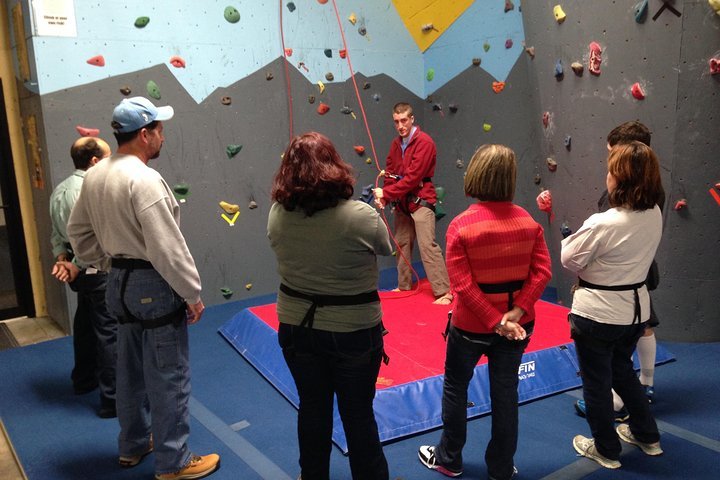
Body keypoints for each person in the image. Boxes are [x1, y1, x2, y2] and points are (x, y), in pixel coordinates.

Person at [67, 97, 220, 480]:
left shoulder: (97, 174)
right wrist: (192, 293)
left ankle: (132, 445)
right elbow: (167, 247)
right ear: (146, 134)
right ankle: (174, 461)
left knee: (129, 369)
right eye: (160, 130)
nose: (163, 137)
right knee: (169, 374)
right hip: (152, 283)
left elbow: (77, 232)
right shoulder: (144, 179)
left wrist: (103, 262)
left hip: (116, 282)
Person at [418, 144, 552, 480]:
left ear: (475, 175)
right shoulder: (529, 222)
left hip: (471, 328)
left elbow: (462, 286)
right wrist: (516, 313)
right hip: (519, 326)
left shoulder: (461, 226)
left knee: (456, 386)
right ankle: (501, 467)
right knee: (506, 393)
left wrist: (494, 321)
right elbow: (542, 273)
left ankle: (449, 458)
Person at [268, 132, 392, 480]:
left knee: (313, 408)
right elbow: (386, 248)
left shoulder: (278, 213)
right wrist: (371, 212)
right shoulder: (361, 217)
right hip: (352, 333)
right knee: (357, 415)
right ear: (334, 165)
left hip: (297, 328)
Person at [562, 141, 664, 469]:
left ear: (619, 179)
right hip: (634, 312)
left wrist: (588, 260)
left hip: (599, 315)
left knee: (596, 382)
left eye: (611, 169)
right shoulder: (654, 212)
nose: (606, 174)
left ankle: (606, 449)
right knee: (622, 372)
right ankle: (647, 435)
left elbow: (568, 258)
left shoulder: (605, 222)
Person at [49, 136, 117, 418]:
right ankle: (113, 398)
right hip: (94, 269)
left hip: (78, 270)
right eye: (109, 157)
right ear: (95, 161)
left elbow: (58, 232)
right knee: (109, 332)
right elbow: (93, 237)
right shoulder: (89, 192)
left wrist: (62, 259)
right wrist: (75, 263)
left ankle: (84, 379)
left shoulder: (60, 190)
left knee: (86, 322)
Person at [373, 102, 452, 304]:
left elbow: (412, 179)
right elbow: (391, 174)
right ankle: (404, 285)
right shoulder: (395, 145)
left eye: (404, 120)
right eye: (396, 122)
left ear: (412, 119)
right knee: (402, 244)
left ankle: (444, 292)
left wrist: (387, 192)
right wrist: (385, 196)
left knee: (428, 246)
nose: (400, 125)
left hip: (421, 200)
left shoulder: (425, 142)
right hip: (402, 203)